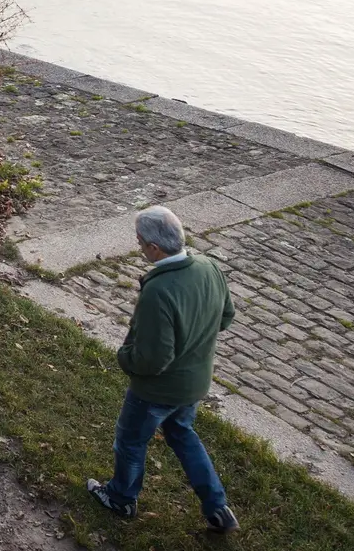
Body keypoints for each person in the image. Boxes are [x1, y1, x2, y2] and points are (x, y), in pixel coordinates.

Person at [87, 205, 241, 535]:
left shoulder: (159, 290)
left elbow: (154, 359)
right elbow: (226, 316)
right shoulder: (208, 266)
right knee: (183, 435)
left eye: (140, 242)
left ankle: (121, 498)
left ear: (154, 248)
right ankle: (217, 507)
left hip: (157, 391)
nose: (139, 246)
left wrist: (124, 358)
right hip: (194, 384)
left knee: (130, 441)